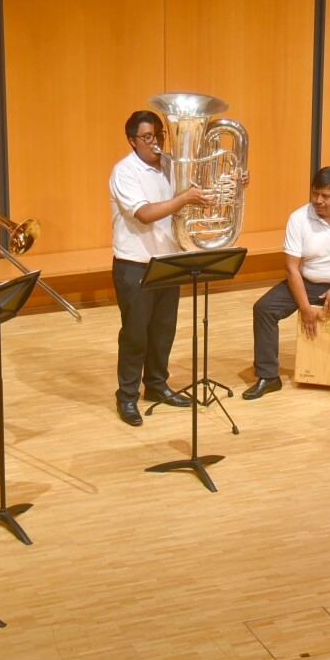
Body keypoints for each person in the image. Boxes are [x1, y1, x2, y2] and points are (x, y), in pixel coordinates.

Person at [242, 166, 330, 409]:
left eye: (326, 196)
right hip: (306, 280)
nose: (318, 201)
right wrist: (305, 308)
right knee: (264, 309)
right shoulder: (299, 218)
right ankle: (268, 376)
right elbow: (291, 268)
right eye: (315, 194)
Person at [109, 110, 210, 426]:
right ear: (132, 140)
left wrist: (235, 182)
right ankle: (126, 397)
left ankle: (156, 385)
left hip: (168, 260)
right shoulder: (124, 171)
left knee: (163, 330)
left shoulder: (170, 165)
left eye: (159, 135)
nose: (156, 143)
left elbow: (200, 192)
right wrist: (184, 199)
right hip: (134, 264)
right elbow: (145, 214)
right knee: (135, 335)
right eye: (147, 137)